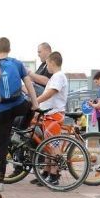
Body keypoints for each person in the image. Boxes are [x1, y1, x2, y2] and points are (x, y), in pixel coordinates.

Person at [0, 37, 39, 184]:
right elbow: (28, 84)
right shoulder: (17, 63)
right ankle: (21, 132)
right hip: (19, 104)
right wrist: (35, 103)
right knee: (30, 108)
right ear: (9, 49)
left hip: (2, 109)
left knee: (1, 146)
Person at [30, 51, 68, 186]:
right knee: (48, 145)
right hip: (49, 114)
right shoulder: (55, 77)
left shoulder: (58, 76)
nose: (47, 67)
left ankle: (54, 174)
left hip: (54, 115)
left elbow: (51, 93)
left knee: (53, 145)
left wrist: (36, 101)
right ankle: (46, 172)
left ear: (52, 62)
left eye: (47, 64)